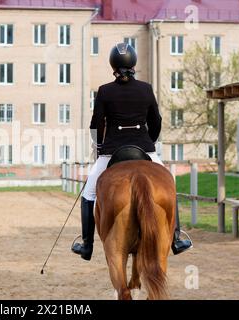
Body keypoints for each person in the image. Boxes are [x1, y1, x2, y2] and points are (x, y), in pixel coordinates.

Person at [71, 43, 192, 261]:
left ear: (113, 65)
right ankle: (175, 238)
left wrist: (99, 147)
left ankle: (86, 244)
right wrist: (149, 142)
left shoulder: (105, 91)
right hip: (144, 148)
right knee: (169, 186)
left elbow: (95, 124)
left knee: (89, 193)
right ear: (134, 63)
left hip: (111, 151)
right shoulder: (145, 88)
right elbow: (156, 121)